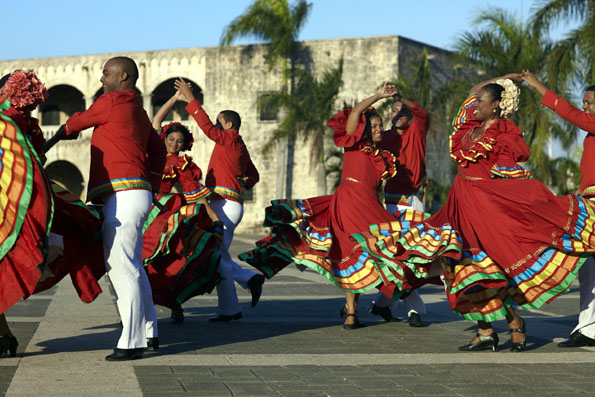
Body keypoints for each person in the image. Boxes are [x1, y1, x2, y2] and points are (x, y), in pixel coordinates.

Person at [356, 74, 595, 351]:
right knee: (459, 266)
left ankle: (500, 327)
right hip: (459, 205)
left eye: (482, 101)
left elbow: (508, 176)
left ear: (495, 106)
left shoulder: (505, 131)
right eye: (477, 101)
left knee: (484, 268)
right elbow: (473, 93)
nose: (475, 105)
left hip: (485, 209)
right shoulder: (469, 128)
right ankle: (496, 328)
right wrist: (504, 78)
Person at [239, 83, 457, 329]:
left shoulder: (385, 148)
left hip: (373, 206)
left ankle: (382, 303)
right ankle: (359, 311)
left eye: (379, 125)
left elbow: (418, 117)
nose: (380, 127)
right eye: (374, 126)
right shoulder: (353, 144)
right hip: (350, 204)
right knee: (353, 250)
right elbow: (355, 115)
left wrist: (396, 98)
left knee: (369, 254)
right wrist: (377, 96)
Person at [48, 57, 166, 361]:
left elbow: (76, 122)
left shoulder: (112, 101)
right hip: (136, 193)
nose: (101, 79)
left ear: (122, 76)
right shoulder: (138, 110)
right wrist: (152, 184)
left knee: (121, 266)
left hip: (123, 194)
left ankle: (132, 341)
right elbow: (158, 150)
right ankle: (149, 330)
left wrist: (53, 139)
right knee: (134, 267)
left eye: (106, 73)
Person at [175, 78, 265, 322]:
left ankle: (247, 281)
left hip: (224, 204)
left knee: (215, 255)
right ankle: (231, 307)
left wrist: (191, 99)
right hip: (227, 203)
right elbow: (254, 175)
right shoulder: (239, 146)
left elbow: (206, 128)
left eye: (219, 122)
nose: (216, 125)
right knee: (218, 256)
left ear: (228, 124)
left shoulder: (230, 138)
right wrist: (243, 180)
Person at [522, 70, 595, 348]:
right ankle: (588, 327)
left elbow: (571, 114)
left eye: (589, 102)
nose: (584, 107)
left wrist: (537, 85)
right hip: (589, 202)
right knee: (588, 265)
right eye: (584, 102)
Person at [144, 91, 223, 324]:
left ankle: (173, 303)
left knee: (166, 259)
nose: (174, 144)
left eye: (179, 141)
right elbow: (156, 120)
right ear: (165, 139)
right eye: (171, 140)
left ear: (184, 144)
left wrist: (214, 218)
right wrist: (174, 99)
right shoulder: (157, 148)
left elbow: (195, 193)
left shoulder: (183, 164)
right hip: (145, 204)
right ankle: (137, 307)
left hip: (164, 207)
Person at [369, 93, 430, 327]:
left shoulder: (417, 132)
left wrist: (403, 98)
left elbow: (422, 112)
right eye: (394, 111)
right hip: (390, 202)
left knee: (411, 256)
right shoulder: (383, 137)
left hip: (413, 200)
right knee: (393, 257)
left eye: (402, 111)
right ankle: (394, 305)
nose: (397, 115)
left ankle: (386, 303)